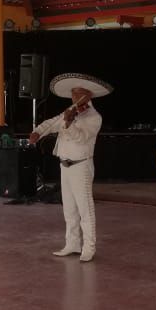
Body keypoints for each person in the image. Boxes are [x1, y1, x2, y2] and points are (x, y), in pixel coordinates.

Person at [29, 73, 111, 263]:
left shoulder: (94, 117)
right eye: (74, 94)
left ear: (88, 96)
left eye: (80, 94)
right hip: (65, 165)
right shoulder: (70, 110)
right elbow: (52, 123)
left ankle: (89, 248)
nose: (75, 98)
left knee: (85, 209)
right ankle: (72, 244)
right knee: (69, 209)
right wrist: (38, 132)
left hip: (81, 167)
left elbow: (81, 137)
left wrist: (69, 122)